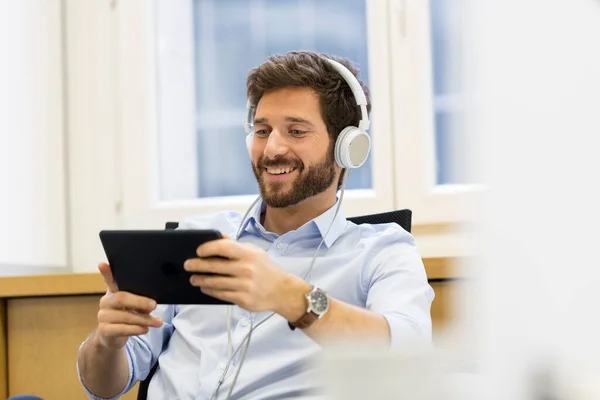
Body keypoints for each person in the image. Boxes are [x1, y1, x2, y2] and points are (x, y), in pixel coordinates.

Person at [76, 51, 434, 400]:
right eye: (262, 130)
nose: (272, 148)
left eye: (296, 131)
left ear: (347, 148)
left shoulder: (381, 251)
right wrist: (107, 342)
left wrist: (291, 297)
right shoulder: (195, 237)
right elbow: (103, 387)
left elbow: (408, 351)